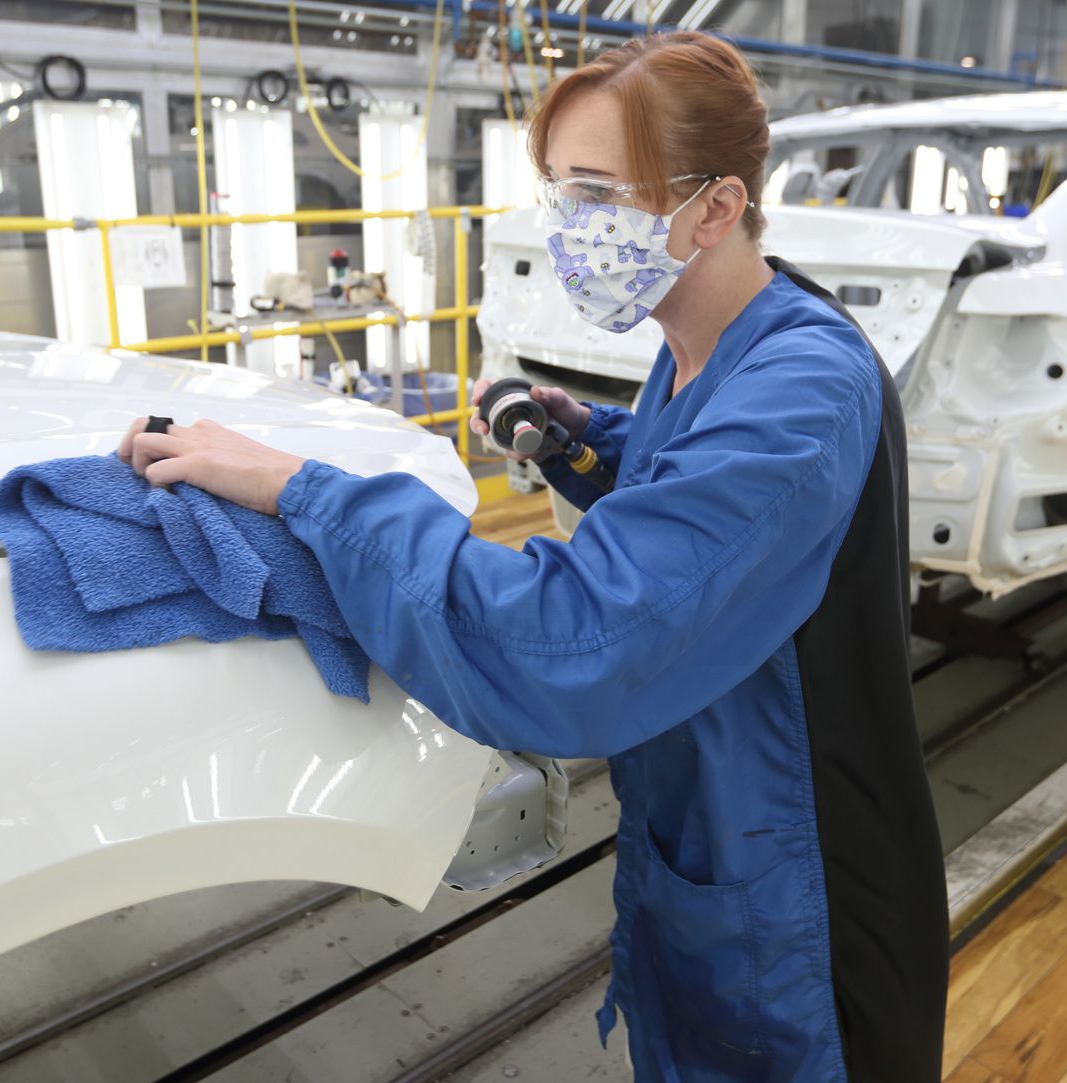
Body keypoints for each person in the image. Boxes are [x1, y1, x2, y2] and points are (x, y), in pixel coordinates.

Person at [119, 31, 946, 1083]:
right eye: (559, 192)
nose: (568, 229)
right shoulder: (703, 346)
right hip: (719, 859)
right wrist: (591, 442)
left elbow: (575, 640)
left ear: (717, 207)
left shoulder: (805, 381)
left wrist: (305, 492)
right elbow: (701, 494)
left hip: (802, 909)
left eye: (597, 194)